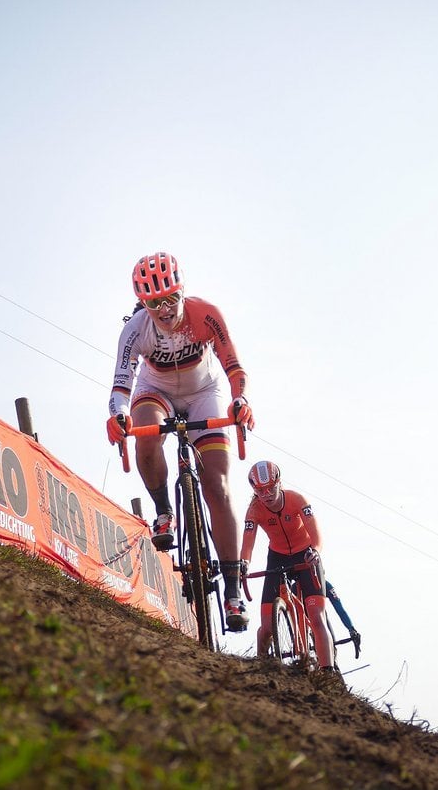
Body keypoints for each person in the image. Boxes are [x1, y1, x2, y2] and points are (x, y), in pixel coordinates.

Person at [105, 251, 255, 632]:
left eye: (171, 297)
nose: (165, 308)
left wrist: (240, 401)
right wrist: (117, 413)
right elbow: (122, 383)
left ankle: (233, 590)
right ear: (143, 302)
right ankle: (163, 511)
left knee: (217, 487)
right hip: (155, 389)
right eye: (155, 302)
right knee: (146, 432)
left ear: (182, 291)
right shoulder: (136, 329)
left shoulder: (206, 315)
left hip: (204, 391)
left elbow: (234, 368)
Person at [238, 460, 337, 672]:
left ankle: (328, 671)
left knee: (316, 615)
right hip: (278, 557)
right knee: (266, 628)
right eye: (260, 490)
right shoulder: (254, 510)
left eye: (270, 488)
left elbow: (316, 533)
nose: (266, 494)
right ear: (254, 490)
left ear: (279, 483)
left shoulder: (296, 499)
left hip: (306, 553)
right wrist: (243, 563)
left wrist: (316, 551)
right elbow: (248, 542)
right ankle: (262, 670)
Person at [325, 581, 362, 658]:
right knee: (322, 617)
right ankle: (332, 664)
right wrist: (351, 629)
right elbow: (340, 609)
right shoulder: (325, 583)